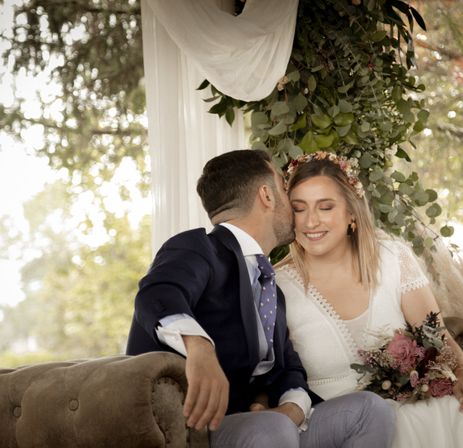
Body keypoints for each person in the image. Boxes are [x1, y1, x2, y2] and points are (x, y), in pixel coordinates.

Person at [126, 149, 395, 448]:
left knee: (370, 410)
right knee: (271, 427)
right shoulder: (199, 248)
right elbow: (157, 294)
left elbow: (288, 369)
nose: (292, 203)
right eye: (283, 186)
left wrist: (291, 407)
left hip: (263, 425)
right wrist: (199, 348)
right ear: (267, 195)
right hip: (192, 429)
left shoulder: (270, 287)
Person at [275, 151, 463, 448]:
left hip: (407, 400)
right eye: (299, 209)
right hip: (336, 418)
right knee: (397, 423)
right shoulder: (277, 285)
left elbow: (436, 334)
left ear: (352, 212)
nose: (311, 221)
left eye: (325, 207)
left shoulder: (392, 257)